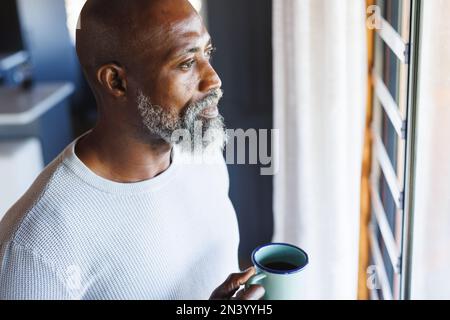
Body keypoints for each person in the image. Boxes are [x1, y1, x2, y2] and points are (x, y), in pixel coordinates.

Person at [0, 0, 264, 300]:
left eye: (208, 53)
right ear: (116, 82)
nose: (214, 79)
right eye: (186, 63)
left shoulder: (200, 152)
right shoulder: (35, 245)